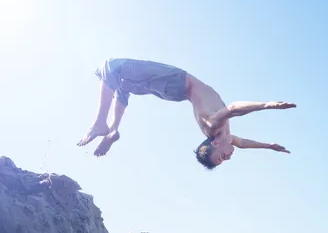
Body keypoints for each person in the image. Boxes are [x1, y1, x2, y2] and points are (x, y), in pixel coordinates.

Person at [77, 58, 296, 169]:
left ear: (215, 144)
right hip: (174, 92)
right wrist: (270, 147)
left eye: (221, 157)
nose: (227, 158)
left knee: (111, 66)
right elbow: (245, 143)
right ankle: (113, 129)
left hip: (177, 83)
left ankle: (100, 123)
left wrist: (266, 105)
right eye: (223, 160)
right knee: (122, 84)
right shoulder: (227, 138)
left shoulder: (213, 127)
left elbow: (233, 108)